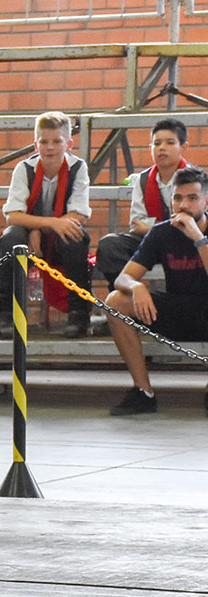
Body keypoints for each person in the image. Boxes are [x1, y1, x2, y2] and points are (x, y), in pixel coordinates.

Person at [102, 165, 208, 417]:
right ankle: (143, 392)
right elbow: (124, 276)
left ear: (206, 200)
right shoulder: (161, 232)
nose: (183, 205)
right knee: (116, 301)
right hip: (177, 308)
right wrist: (136, 286)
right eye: (177, 198)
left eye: (192, 198)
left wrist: (197, 237)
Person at [0, 111, 92, 336]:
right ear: (35, 144)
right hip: (29, 232)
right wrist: (37, 228)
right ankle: (3, 313)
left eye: (57, 141)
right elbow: (13, 216)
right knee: (11, 238)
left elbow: (79, 214)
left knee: (74, 235)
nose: (50, 147)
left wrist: (42, 227)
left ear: (69, 143)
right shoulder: (24, 169)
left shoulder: (78, 168)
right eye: (44, 142)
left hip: (59, 236)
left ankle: (79, 313)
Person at [96, 118, 190, 291]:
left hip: (186, 242)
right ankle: (124, 301)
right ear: (150, 148)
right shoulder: (143, 179)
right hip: (152, 242)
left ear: (184, 147)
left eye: (170, 143)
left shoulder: (194, 179)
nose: (162, 148)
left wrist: (154, 227)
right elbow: (137, 223)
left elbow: (191, 224)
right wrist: (169, 228)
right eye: (157, 143)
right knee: (110, 245)